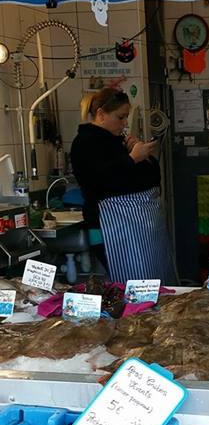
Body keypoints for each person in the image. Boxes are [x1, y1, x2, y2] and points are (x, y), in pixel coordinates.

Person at [71, 87, 176, 284]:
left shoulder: (117, 142)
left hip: (143, 227)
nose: (125, 123)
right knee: (133, 284)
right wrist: (132, 159)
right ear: (101, 114)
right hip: (116, 226)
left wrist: (143, 158)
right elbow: (97, 180)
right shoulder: (85, 142)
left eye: (126, 117)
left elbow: (150, 176)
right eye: (121, 117)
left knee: (154, 281)